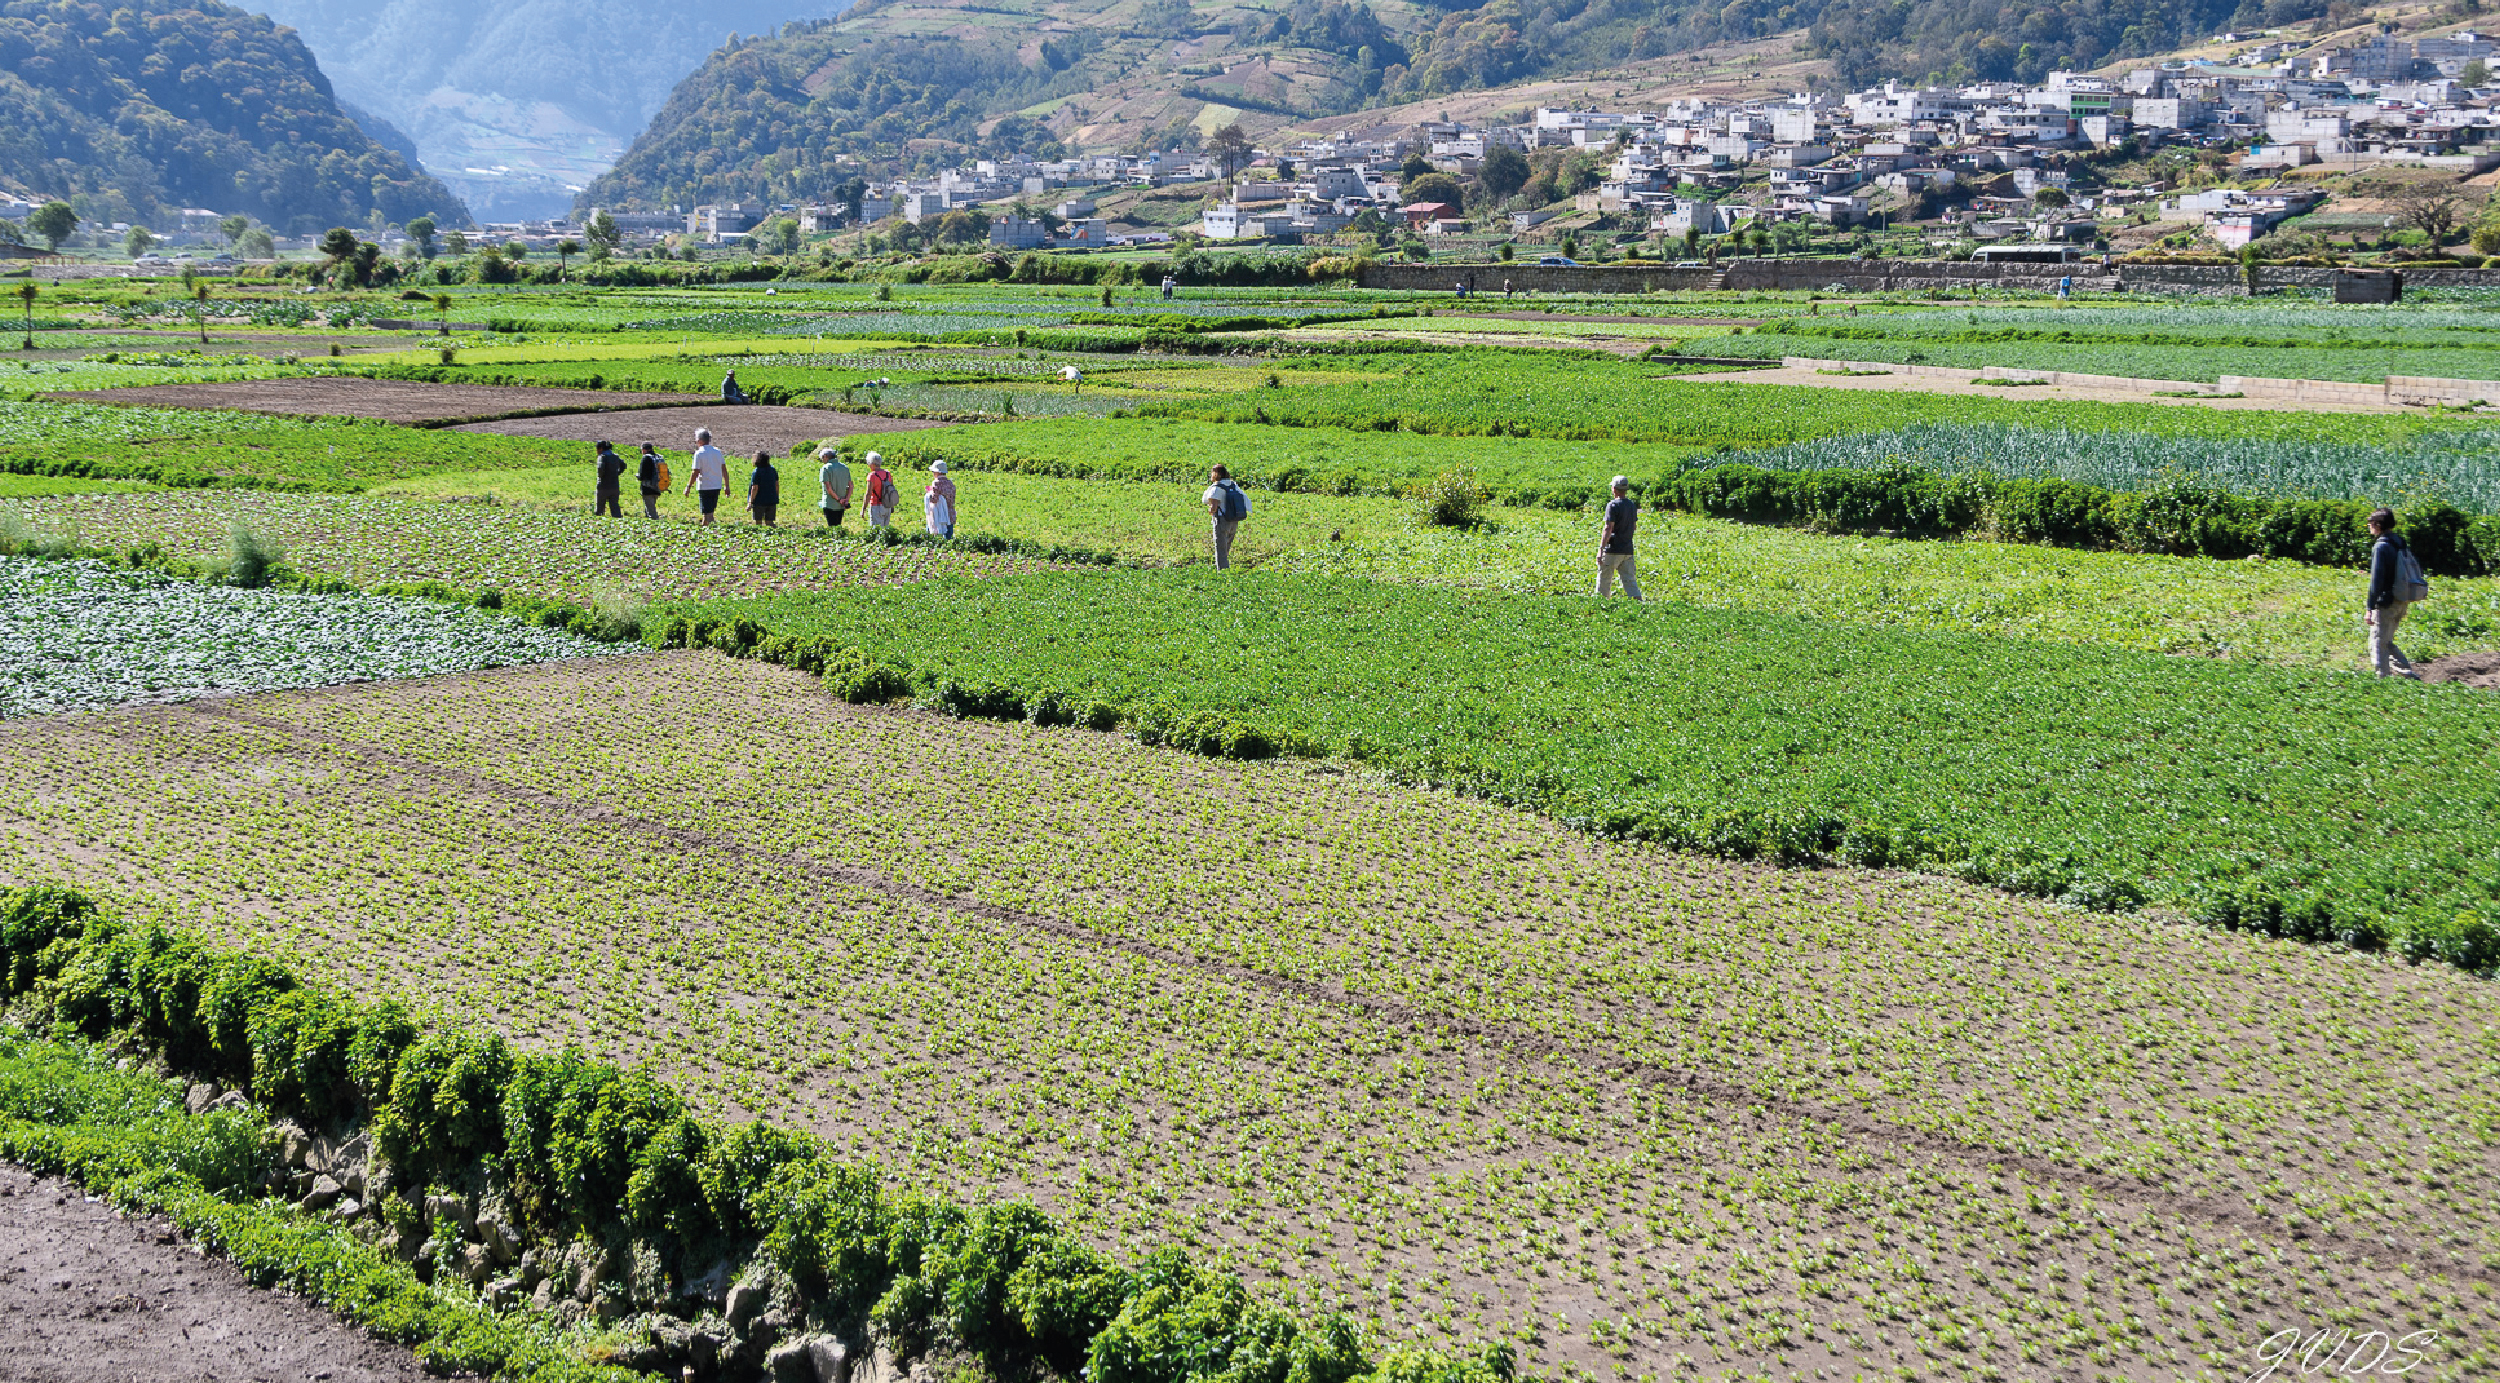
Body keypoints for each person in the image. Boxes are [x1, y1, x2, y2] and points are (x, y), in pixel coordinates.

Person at [2365, 506, 2422, 679]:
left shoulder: (2381, 546)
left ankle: (2382, 679)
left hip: (2386, 601)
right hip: (2402, 598)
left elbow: (2377, 580)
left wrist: (2370, 607)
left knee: (2377, 642)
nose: (2369, 527)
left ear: (2377, 525)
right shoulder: (2398, 542)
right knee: (2386, 640)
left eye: (2370, 523)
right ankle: (2407, 674)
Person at [1595, 474, 1642, 602]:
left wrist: (1601, 549)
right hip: (1627, 550)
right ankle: (1640, 606)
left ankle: (1601, 607)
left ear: (1614, 489)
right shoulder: (1632, 505)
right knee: (1630, 581)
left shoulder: (1612, 505)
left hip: (1613, 549)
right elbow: (1634, 527)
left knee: (1604, 581)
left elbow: (1608, 528)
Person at [1203, 464, 1250, 569]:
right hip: (1234, 519)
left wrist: (1211, 510)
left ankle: (1223, 571)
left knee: (1220, 547)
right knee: (1226, 545)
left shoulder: (1217, 487)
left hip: (1222, 520)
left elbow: (1214, 506)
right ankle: (1225, 566)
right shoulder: (1233, 485)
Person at [684, 428, 728, 525]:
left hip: (705, 486)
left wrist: (688, 486)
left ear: (700, 440)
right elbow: (724, 469)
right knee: (709, 512)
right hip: (716, 485)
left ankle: (708, 531)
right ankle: (708, 530)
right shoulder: (717, 451)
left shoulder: (699, 453)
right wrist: (727, 486)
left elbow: (695, 472)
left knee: (707, 514)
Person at [816, 447, 853, 527]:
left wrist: (838, 499)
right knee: (838, 526)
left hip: (830, 503)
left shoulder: (825, 468)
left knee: (832, 527)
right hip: (842, 505)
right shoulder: (844, 467)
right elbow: (851, 486)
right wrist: (846, 500)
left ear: (825, 457)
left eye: (822, 458)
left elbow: (829, 489)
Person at [862, 452, 898, 529]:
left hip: (876, 506)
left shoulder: (872, 476)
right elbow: (891, 490)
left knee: (876, 531)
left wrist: (863, 508)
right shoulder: (888, 474)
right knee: (885, 531)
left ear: (872, 464)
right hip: (887, 506)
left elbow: (868, 493)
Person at [593, 440, 625, 518]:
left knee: (600, 508)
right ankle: (619, 523)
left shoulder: (602, 457)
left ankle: (598, 522)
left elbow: (600, 469)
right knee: (615, 507)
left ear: (600, 448)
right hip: (615, 486)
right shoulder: (615, 456)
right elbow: (623, 465)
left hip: (603, 486)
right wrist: (617, 473)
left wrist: (601, 477)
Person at [748, 450, 780, 527]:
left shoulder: (757, 472)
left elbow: (755, 488)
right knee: (770, 523)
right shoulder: (772, 469)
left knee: (758, 523)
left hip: (759, 501)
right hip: (771, 500)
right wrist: (776, 496)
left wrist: (750, 502)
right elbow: (777, 485)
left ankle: (760, 537)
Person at [925, 459, 956, 538]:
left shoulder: (936, 482)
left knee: (934, 532)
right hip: (950, 512)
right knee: (948, 533)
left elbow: (934, 499)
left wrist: (929, 493)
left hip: (939, 514)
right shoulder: (950, 483)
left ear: (937, 472)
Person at [636, 443, 664, 519]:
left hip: (647, 488)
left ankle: (656, 525)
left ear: (644, 449)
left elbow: (642, 475)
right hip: (658, 487)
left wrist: (637, 476)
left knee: (651, 512)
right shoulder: (658, 457)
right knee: (650, 508)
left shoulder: (646, 458)